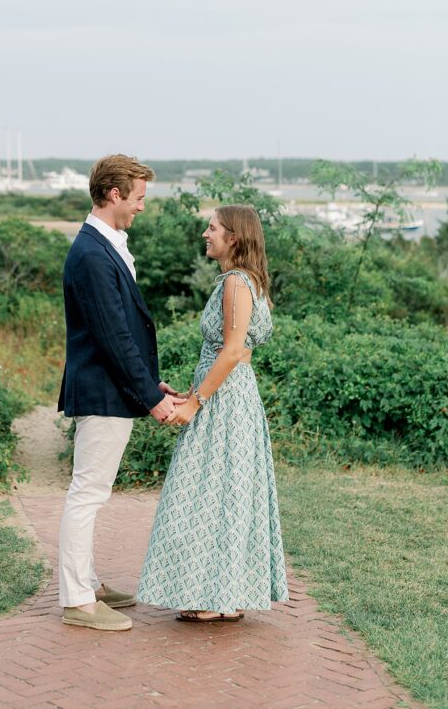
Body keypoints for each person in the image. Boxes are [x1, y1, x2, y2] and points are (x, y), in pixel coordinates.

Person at [136, 204, 288, 621]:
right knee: (226, 489)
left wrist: (196, 402)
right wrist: (196, 388)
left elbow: (235, 350)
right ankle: (222, 591)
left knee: (207, 489)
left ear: (233, 237)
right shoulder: (243, 281)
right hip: (231, 395)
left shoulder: (237, 283)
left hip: (224, 400)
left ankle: (211, 595)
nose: (206, 234)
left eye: (212, 227)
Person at [57, 154, 181, 632]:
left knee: (92, 492)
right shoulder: (91, 253)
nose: (142, 207)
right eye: (139, 198)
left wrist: (151, 384)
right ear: (114, 194)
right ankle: (78, 602)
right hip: (103, 391)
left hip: (112, 388)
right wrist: (151, 399)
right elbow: (113, 338)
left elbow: (122, 330)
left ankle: (86, 580)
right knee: (87, 493)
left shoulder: (104, 244)